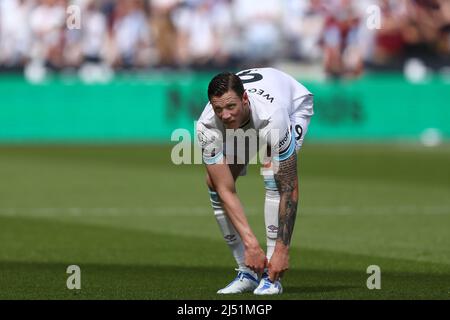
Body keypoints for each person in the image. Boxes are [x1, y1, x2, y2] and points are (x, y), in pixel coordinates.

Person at [196, 68, 314, 295]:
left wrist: (282, 250)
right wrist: (250, 244)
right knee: (214, 182)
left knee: (273, 171)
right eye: (218, 108)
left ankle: (271, 276)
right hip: (246, 125)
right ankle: (247, 272)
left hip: (292, 106)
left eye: (231, 106)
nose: (225, 114)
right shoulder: (207, 124)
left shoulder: (272, 115)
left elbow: (290, 187)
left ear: (244, 98)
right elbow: (224, 188)